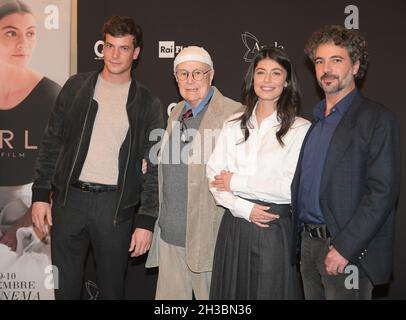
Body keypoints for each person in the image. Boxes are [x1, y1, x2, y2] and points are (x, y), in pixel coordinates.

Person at [31, 15, 164, 299]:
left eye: (124, 48)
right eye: (110, 46)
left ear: (136, 52)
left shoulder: (147, 103)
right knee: (63, 288)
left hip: (114, 208)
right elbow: (51, 140)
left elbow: (153, 167)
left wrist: (146, 221)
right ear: (102, 47)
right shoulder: (75, 87)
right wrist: (41, 194)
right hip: (69, 202)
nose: (115, 55)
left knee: (112, 290)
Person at [291, 25, 400, 300]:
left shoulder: (376, 119)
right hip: (308, 245)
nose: (326, 68)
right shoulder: (315, 122)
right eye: (319, 61)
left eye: (336, 60)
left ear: (356, 65)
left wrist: (344, 248)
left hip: (346, 251)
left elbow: (382, 192)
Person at [207, 46, 310, 299]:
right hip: (234, 227)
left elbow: (288, 188)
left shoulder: (301, 129)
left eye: (276, 73)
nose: (267, 80)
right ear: (252, 78)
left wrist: (235, 181)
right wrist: (244, 208)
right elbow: (214, 178)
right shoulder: (232, 124)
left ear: (286, 82)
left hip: (273, 229)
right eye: (260, 72)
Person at [145, 46, 243, 300]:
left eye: (198, 73)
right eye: (183, 74)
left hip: (208, 241)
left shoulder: (234, 114)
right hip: (170, 237)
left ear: (211, 75)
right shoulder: (177, 112)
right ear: (175, 78)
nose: (190, 80)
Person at [0, 0, 61, 250]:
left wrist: (24, 227)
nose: (23, 44)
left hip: (33, 218)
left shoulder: (51, 95)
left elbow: (63, 174)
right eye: (11, 33)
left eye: (31, 34)